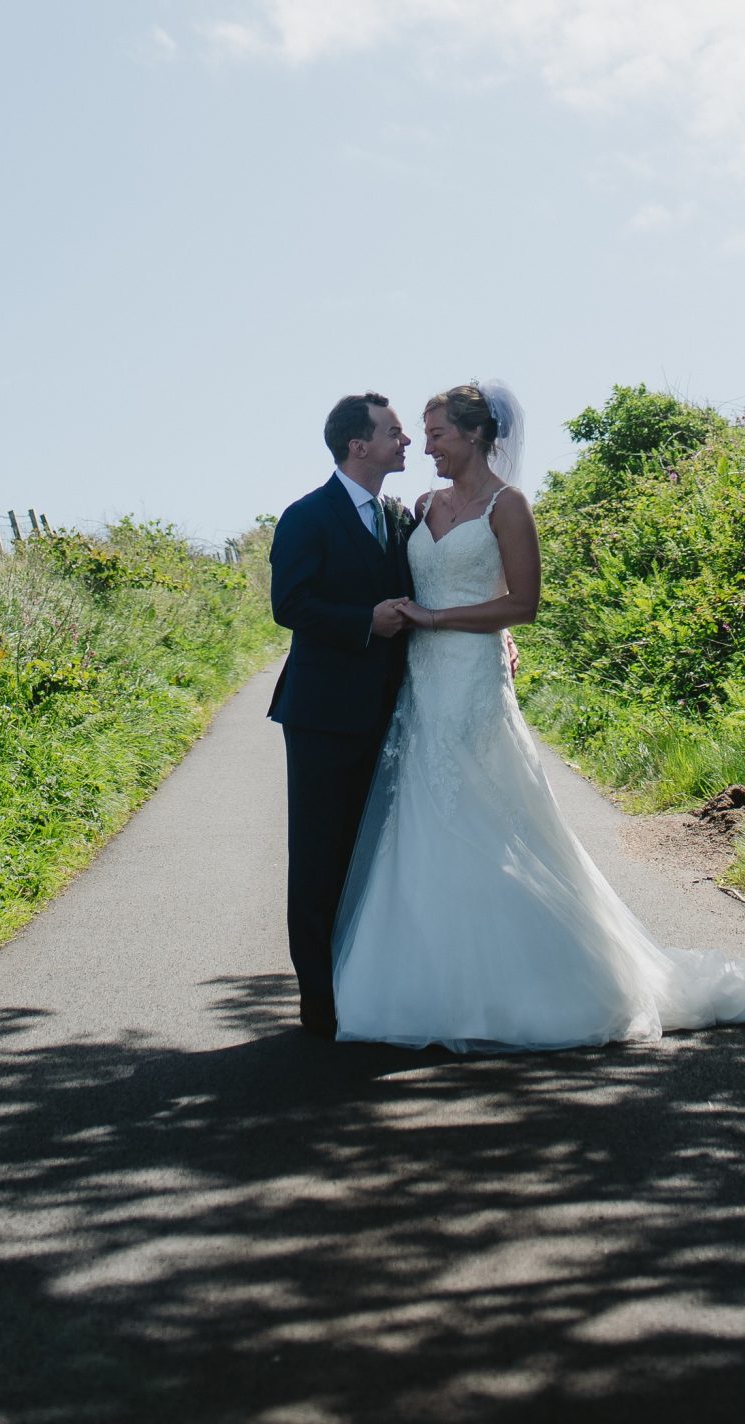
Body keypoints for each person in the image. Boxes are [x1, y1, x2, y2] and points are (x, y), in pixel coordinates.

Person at [332, 380, 745, 1050]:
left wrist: (449, 620)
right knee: (423, 816)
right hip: (424, 684)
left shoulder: (508, 506)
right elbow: (408, 586)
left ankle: (532, 983)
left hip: (471, 681)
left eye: (436, 432)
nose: (424, 444)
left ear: (473, 435)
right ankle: (432, 980)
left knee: (486, 813)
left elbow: (522, 603)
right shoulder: (421, 504)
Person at [268, 392, 415, 1037]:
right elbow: (290, 604)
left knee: (378, 854)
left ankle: (368, 983)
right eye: (394, 433)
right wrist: (365, 623)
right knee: (320, 855)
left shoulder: (401, 518)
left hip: (395, 712)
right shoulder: (306, 516)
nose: (405, 443)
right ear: (360, 444)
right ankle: (318, 1000)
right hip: (323, 714)